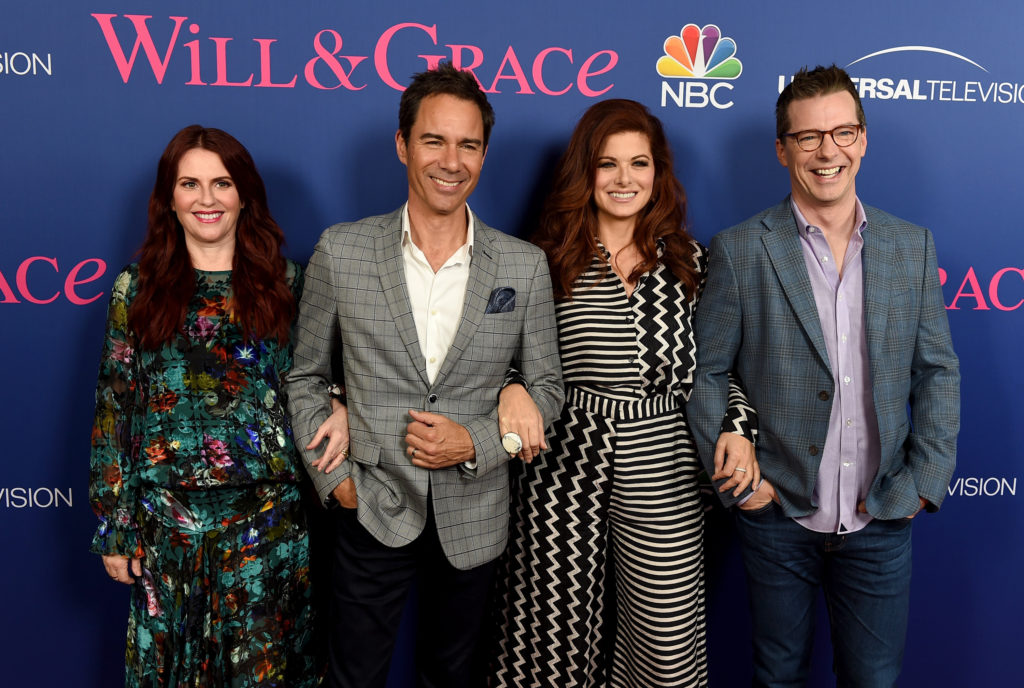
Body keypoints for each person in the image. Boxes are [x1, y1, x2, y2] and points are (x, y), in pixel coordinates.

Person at [283, 62, 564, 688]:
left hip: (476, 517)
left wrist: (479, 443)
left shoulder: (523, 264)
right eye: (434, 140)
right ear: (403, 144)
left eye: (468, 144)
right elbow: (304, 379)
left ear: (485, 155)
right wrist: (339, 488)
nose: (451, 160)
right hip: (371, 505)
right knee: (352, 677)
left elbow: (548, 389)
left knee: (452, 677)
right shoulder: (342, 250)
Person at [688, 65, 960, 687]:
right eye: (808, 137)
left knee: (874, 679)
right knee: (778, 674)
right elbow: (705, 374)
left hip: (883, 516)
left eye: (842, 132)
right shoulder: (741, 248)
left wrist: (924, 480)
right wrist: (738, 484)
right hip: (777, 510)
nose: (827, 151)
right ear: (783, 148)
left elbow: (938, 370)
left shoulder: (910, 246)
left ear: (862, 140)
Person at [490, 99, 757, 688]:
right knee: (551, 637)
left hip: (666, 458)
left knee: (666, 641)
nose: (624, 179)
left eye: (639, 163)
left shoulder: (692, 262)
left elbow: (719, 371)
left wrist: (738, 427)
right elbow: (499, 357)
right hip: (561, 459)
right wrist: (511, 390)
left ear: (658, 173)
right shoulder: (544, 261)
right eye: (607, 164)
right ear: (585, 172)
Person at [89, 125, 319, 687]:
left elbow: (317, 385)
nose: (207, 198)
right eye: (189, 183)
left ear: (245, 193)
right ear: (169, 197)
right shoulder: (134, 288)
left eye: (222, 183)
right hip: (167, 525)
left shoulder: (289, 283)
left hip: (268, 524)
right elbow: (115, 407)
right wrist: (114, 528)